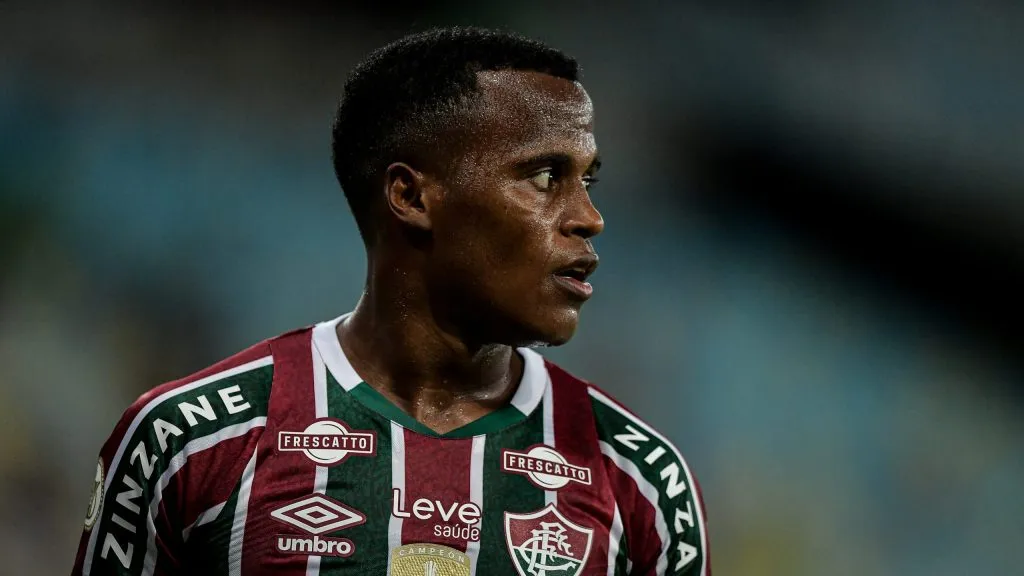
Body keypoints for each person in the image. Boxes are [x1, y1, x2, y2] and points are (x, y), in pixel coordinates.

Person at [71, 26, 710, 576]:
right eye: (546, 178)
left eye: (588, 180)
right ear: (411, 197)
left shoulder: (642, 480)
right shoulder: (192, 440)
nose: (590, 217)